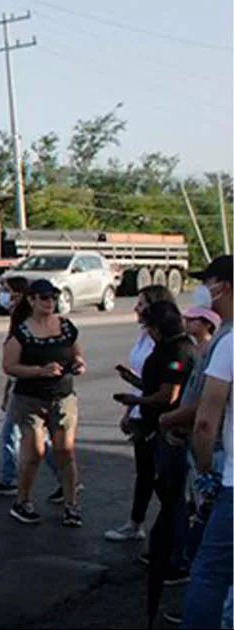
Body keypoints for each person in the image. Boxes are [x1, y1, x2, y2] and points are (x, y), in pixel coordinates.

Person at [4, 278, 86, 527]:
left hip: (63, 396)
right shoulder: (22, 331)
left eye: (53, 297)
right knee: (35, 452)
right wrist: (41, 371)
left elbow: (76, 352)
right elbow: (9, 366)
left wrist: (79, 363)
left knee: (65, 451)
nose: (50, 302)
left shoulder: (66, 326)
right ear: (31, 300)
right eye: (44, 298)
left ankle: (71, 505)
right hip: (30, 399)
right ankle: (23, 501)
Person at [183, 255, 233, 629]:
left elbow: (205, 421)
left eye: (210, 284)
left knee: (210, 573)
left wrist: (204, 470)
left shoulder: (229, 344)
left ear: (225, 287)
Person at [105, 285, 178, 543]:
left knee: (158, 475)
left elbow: (166, 388)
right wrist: (130, 407)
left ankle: (171, 525)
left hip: (156, 415)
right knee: (145, 471)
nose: (136, 308)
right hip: (141, 409)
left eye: (141, 303)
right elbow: (145, 380)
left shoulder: (167, 345)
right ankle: (137, 522)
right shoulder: (145, 336)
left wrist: (137, 399)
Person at [0, 276, 62, 497]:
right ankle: (64, 478)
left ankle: (13, 481)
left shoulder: (28, 321)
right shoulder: (17, 318)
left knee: (15, 434)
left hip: (28, 388)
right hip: (21, 386)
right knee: (33, 436)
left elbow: (18, 362)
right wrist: (7, 391)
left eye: (9, 293)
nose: (5, 297)